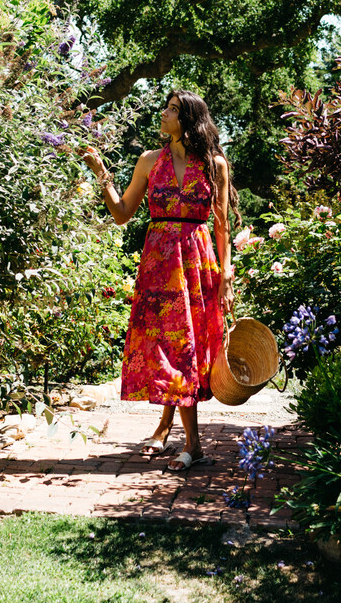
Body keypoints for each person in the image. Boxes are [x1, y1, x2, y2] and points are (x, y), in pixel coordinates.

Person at [82, 90, 239, 471]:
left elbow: (222, 226)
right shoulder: (149, 161)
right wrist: (101, 174)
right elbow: (121, 213)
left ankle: (178, 435)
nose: (163, 114)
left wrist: (226, 276)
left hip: (198, 265)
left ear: (188, 119)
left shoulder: (214, 164)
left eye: (171, 109)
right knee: (172, 346)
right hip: (159, 266)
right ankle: (191, 442)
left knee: (187, 346)